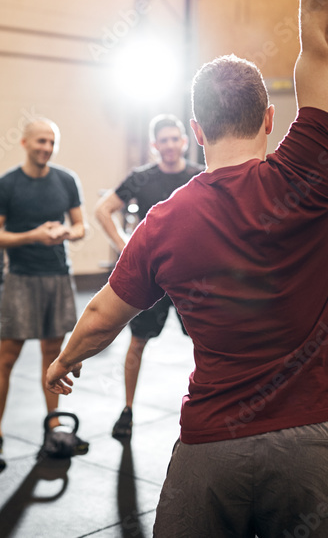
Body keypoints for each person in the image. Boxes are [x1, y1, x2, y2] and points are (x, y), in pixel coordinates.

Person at [46, 0, 328, 534]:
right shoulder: (313, 170)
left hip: (210, 449)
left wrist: (66, 358)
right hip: (310, 446)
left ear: (195, 130)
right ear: (272, 118)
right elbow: (322, 38)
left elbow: (106, 312)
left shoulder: (165, 220)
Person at [0, 117, 85, 471]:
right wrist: (32, 236)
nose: (46, 148)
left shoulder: (66, 180)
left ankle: (53, 425)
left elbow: (80, 226)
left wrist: (63, 233)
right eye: (40, 141)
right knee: (7, 358)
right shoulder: (6, 185)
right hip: (21, 279)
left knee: (53, 355)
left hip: (57, 276)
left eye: (51, 142)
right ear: (25, 143)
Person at [94, 114, 204, 439]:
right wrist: (123, 245)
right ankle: (127, 410)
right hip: (152, 276)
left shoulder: (199, 176)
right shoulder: (141, 178)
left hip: (190, 277)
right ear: (155, 145)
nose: (169, 145)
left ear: (184, 141)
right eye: (163, 140)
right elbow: (103, 209)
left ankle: (207, 405)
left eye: (175, 139)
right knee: (137, 342)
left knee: (206, 343)